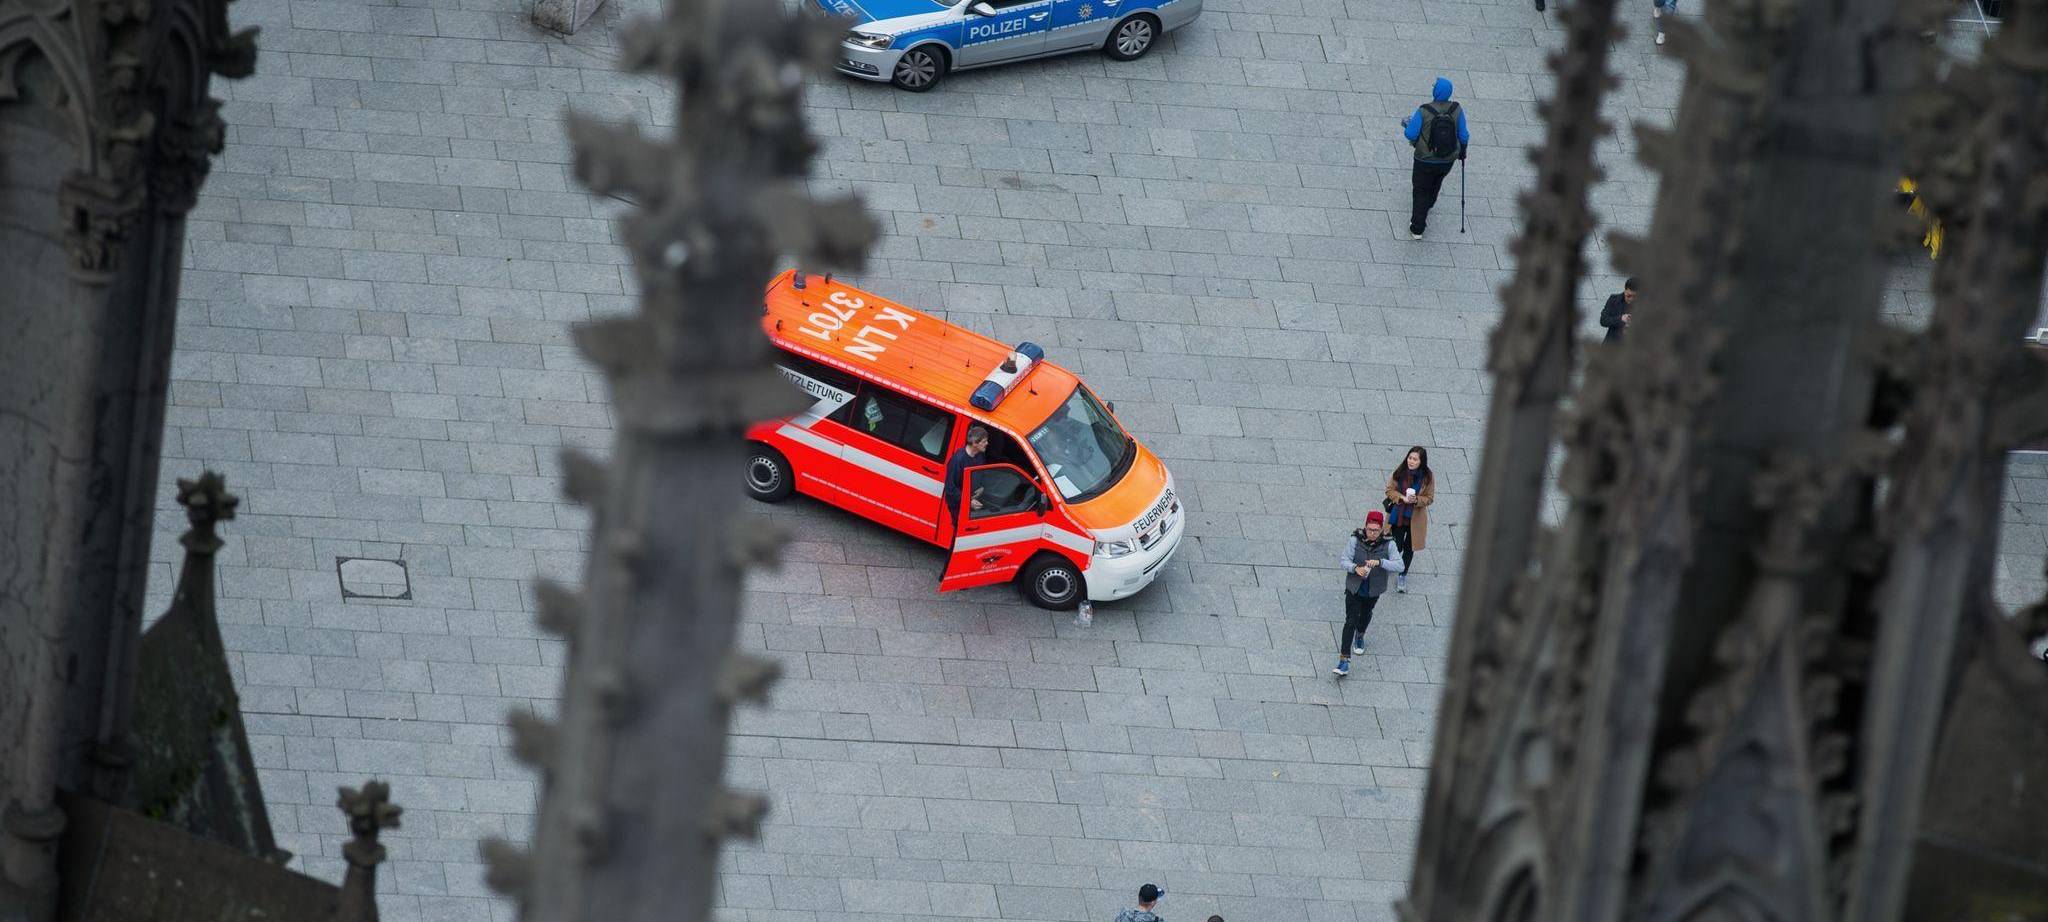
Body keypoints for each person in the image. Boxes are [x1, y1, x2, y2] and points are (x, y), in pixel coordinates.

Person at [1401, 77, 1469, 240]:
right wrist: (1462, 151)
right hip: (1447, 159)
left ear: (1436, 91)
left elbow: (1410, 134)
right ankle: (1429, 204)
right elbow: (1464, 135)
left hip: (1424, 159)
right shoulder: (1456, 109)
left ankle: (1417, 228)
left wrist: (1409, 126)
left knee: (1420, 190)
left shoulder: (1424, 111)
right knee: (1436, 182)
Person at [1336, 510, 1403, 676]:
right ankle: (1344, 660)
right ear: (1365, 527)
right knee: (1350, 621)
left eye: (1376, 530)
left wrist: (1380, 562)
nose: (1372, 533)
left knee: (1366, 614)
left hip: (1373, 589)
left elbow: (1399, 565)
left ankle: (1360, 634)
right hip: (1354, 587)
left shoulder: (1389, 544)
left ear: (1381, 530)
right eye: (1369, 529)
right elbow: (1344, 560)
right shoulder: (1355, 540)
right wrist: (1355, 568)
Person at [1383, 447, 1434, 592]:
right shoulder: (1400, 471)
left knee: (1409, 548)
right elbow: (1389, 490)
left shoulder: (1428, 477)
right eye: (1410, 458)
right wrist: (1401, 498)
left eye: (1415, 459)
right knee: (1396, 545)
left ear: (1421, 461)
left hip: (1415, 519)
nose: (1411, 461)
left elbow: (1430, 498)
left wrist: (1416, 499)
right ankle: (1391, 564)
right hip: (1398, 515)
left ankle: (1402, 574)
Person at [943, 426, 989, 530]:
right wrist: (968, 501)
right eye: (984, 441)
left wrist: (982, 487)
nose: (987, 443)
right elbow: (950, 488)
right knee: (961, 529)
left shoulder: (980, 455)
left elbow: (981, 473)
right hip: (958, 504)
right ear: (974, 443)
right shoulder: (958, 460)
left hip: (972, 499)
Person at [1599, 278, 1637, 343]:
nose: (1631, 299)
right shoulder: (1614, 299)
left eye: (1635, 297)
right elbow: (1603, 320)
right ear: (1625, 290)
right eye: (1629, 296)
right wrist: (1620, 319)